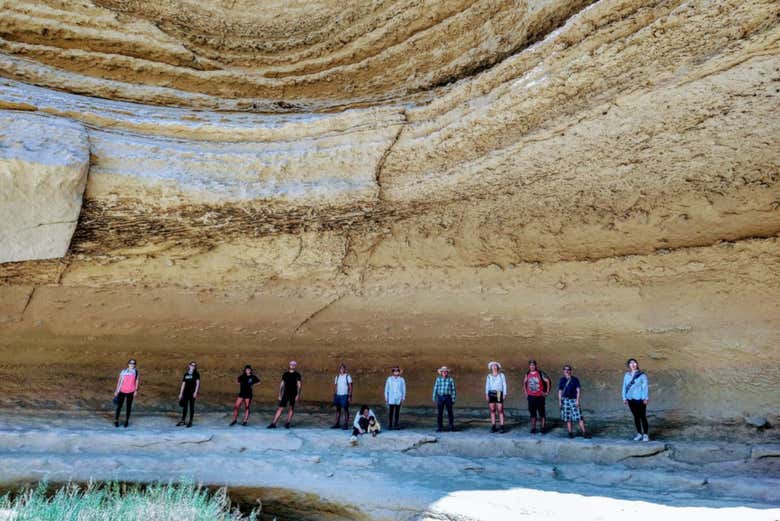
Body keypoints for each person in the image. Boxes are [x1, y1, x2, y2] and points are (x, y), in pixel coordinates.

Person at [268, 360, 301, 429]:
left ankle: (288, 423)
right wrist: (280, 394)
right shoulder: (285, 374)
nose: (292, 365)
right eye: (291, 364)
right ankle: (273, 423)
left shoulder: (297, 375)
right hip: (285, 393)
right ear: (289, 365)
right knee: (280, 408)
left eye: (294, 364)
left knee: (291, 408)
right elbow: (282, 385)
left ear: (295, 366)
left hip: (293, 394)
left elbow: (299, 385)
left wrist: (298, 395)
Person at [622, 358, 649, 441]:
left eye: (634, 363)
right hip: (630, 398)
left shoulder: (642, 375)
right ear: (629, 365)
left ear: (637, 364)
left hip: (640, 398)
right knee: (636, 416)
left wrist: (646, 398)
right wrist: (624, 397)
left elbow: (645, 387)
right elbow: (624, 386)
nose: (633, 365)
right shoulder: (627, 375)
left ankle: (645, 435)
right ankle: (639, 434)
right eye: (631, 363)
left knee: (642, 416)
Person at [523, 359, 552, 434]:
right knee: (532, 413)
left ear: (535, 365)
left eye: (533, 365)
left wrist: (547, 392)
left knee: (541, 413)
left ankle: (542, 428)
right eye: (530, 365)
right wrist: (526, 392)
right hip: (531, 396)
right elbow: (524, 383)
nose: (532, 366)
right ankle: (533, 428)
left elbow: (548, 381)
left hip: (540, 396)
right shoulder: (527, 374)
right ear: (529, 366)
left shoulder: (540, 373)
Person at [113, 359, 139, 428]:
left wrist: (136, 390)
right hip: (122, 391)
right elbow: (120, 382)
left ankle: (126, 421)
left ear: (135, 365)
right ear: (128, 364)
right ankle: (116, 420)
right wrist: (117, 391)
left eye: (133, 363)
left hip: (131, 391)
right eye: (130, 363)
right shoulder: (123, 371)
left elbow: (136, 381)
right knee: (119, 406)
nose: (132, 364)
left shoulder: (136, 372)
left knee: (128, 407)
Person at [485, 361, 508, 433]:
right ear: (491, 368)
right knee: (492, 410)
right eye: (493, 366)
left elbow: (504, 384)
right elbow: (487, 386)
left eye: (495, 366)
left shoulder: (501, 375)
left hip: (498, 393)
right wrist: (486, 394)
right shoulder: (489, 376)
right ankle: (493, 426)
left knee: (500, 409)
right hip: (491, 393)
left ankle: (502, 426)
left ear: (497, 367)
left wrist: (504, 393)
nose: (494, 367)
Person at [432, 366, 456, 432]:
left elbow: (453, 390)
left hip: (448, 397)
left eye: (446, 371)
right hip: (440, 397)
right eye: (443, 371)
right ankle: (440, 427)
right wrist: (434, 397)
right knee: (440, 413)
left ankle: (451, 426)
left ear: (447, 372)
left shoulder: (450, 379)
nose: (444, 372)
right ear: (441, 373)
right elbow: (435, 388)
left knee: (450, 412)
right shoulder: (438, 379)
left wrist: (453, 398)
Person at [177, 361, 200, 428]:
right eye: (192, 365)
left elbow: (197, 383)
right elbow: (183, 384)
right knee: (185, 407)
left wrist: (195, 392)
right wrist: (181, 393)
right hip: (186, 392)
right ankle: (183, 420)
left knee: (191, 407)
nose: (193, 366)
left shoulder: (196, 374)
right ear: (189, 366)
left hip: (192, 392)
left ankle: (190, 421)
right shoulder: (186, 374)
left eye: (194, 365)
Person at [331, 363, 353, 429]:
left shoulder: (347, 376)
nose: (342, 369)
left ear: (345, 369)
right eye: (341, 368)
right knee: (338, 409)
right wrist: (334, 395)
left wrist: (350, 396)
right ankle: (337, 423)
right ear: (339, 369)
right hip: (338, 395)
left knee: (346, 409)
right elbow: (335, 386)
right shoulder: (337, 377)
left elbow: (350, 386)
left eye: (343, 368)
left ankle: (346, 424)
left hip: (345, 395)